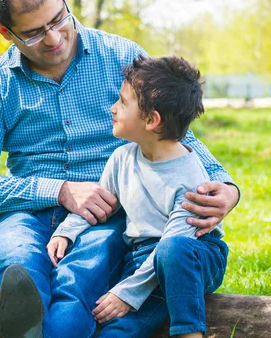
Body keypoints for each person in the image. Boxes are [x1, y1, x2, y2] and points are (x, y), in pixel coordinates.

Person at [0, 0, 240, 338]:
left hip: (105, 210)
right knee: (17, 260)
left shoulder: (121, 56)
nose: (54, 39)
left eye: (58, 20)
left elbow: (171, 130)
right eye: (34, 34)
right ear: (5, 32)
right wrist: (58, 190)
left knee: (81, 273)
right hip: (25, 209)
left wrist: (226, 186)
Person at [47, 56, 227, 338]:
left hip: (194, 257)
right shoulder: (122, 158)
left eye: (122, 102)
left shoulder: (190, 180)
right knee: (115, 331)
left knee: (172, 251)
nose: (113, 108)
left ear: (151, 120)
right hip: (143, 258)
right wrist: (66, 233)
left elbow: (172, 246)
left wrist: (126, 293)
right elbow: (97, 203)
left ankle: (190, 333)